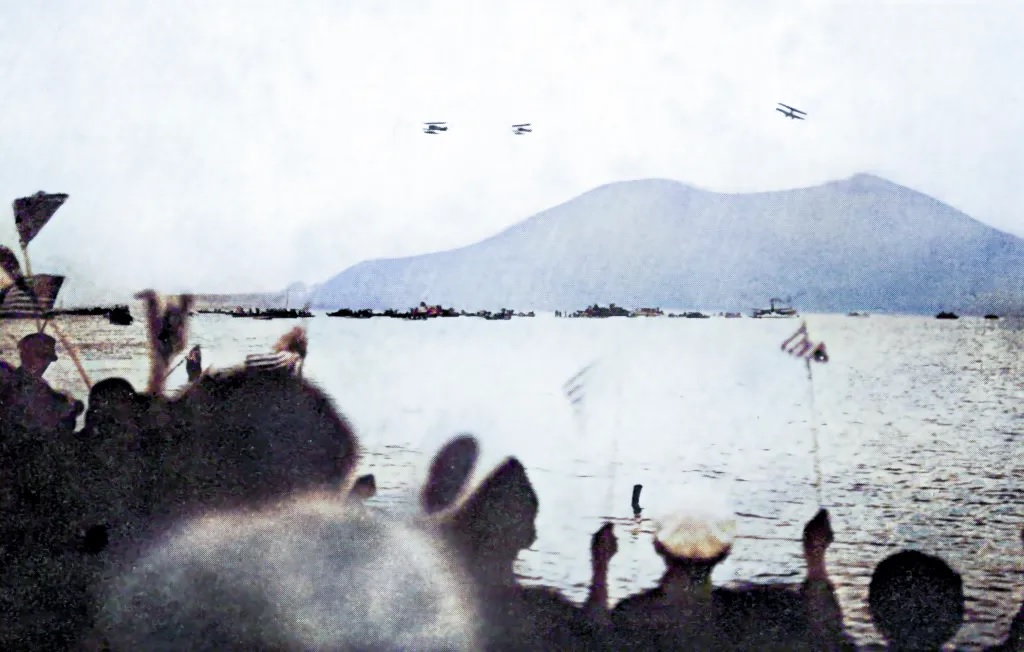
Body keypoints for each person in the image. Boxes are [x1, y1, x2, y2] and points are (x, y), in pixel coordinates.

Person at [6, 332, 83, 430]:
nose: (45, 362)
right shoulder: (13, 383)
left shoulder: (40, 384)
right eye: (40, 355)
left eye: (49, 357)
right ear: (23, 354)